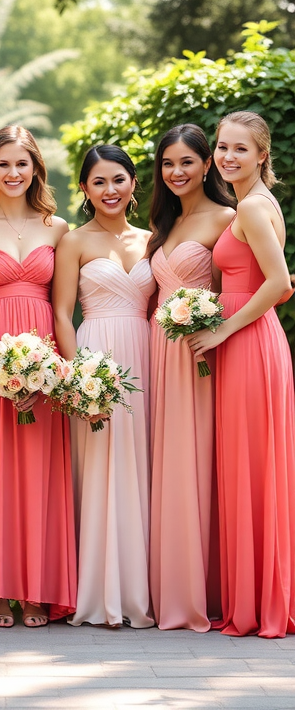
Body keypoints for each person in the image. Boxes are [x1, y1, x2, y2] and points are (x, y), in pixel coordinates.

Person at [0, 124, 76, 628]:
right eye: (3, 164)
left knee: (40, 475)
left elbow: (63, 307)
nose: (12, 173)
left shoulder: (59, 229)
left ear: (35, 169)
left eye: (21, 164)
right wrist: (7, 365)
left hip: (45, 362)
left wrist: (59, 373)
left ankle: (38, 589)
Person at [188, 111, 295, 638]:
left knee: (250, 469)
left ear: (261, 155)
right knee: (247, 468)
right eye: (223, 148)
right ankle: (251, 597)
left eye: (239, 149)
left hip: (248, 345)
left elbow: (278, 282)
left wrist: (223, 329)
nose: (227, 157)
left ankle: (258, 607)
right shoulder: (249, 205)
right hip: (248, 342)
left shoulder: (252, 206)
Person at [53, 144, 154, 629]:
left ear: (133, 183)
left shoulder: (154, 240)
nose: (109, 190)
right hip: (96, 354)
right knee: (98, 465)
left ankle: (140, 589)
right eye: (98, 182)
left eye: (118, 179)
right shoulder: (74, 241)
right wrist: (79, 376)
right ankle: (96, 589)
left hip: (148, 358)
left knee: (144, 465)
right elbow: (60, 312)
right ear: (84, 189)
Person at [148, 123, 235, 631]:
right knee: (169, 462)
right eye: (167, 163)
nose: (176, 172)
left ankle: (203, 587)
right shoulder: (164, 223)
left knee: (198, 461)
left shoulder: (227, 218)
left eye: (186, 162)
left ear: (207, 164)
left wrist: (213, 330)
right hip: (160, 354)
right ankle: (170, 585)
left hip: (200, 353)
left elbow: (234, 291)